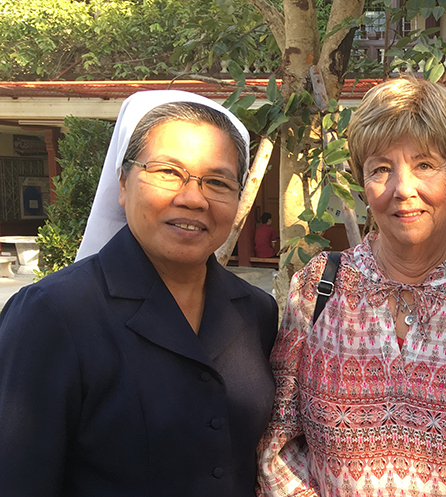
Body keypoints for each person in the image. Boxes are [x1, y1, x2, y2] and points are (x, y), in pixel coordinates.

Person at [257, 77, 446, 496]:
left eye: (424, 165)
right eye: (381, 169)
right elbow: (279, 442)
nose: (403, 189)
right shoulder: (318, 286)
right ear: (363, 186)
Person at [0, 90, 279, 496]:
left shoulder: (256, 312)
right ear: (123, 183)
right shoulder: (52, 314)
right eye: (167, 171)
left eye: (217, 182)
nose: (192, 198)